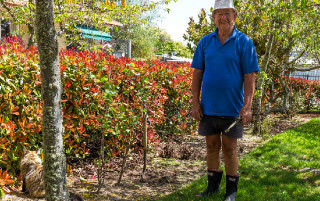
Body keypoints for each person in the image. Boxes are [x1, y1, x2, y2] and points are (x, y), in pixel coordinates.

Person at [191, 0, 260, 201]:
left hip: (233, 109)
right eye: (219, 13)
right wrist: (195, 103)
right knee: (211, 146)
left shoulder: (244, 42)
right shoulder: (205, 42)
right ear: (213, 18)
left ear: (235, 16)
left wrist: (247, 107)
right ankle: (211, 187)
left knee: (230, 149)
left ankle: (231, 191)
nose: (223, 17)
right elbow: (197, 74)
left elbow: (250, 76)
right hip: (208, 108)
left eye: (227, 13)